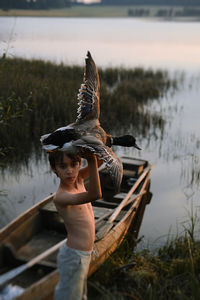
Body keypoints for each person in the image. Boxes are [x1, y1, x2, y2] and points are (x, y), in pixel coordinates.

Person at [48, 150, 102, 300]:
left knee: (78, 296)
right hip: (74, 257)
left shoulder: (79, 180)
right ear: (54, 169)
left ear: (80, 163)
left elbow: (100, 161)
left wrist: (96, 150)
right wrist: (91, 160)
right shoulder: (61, 196)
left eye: (74, 164)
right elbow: (95, 194)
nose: (70, 171)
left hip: (83, 255)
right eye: (63, 166)